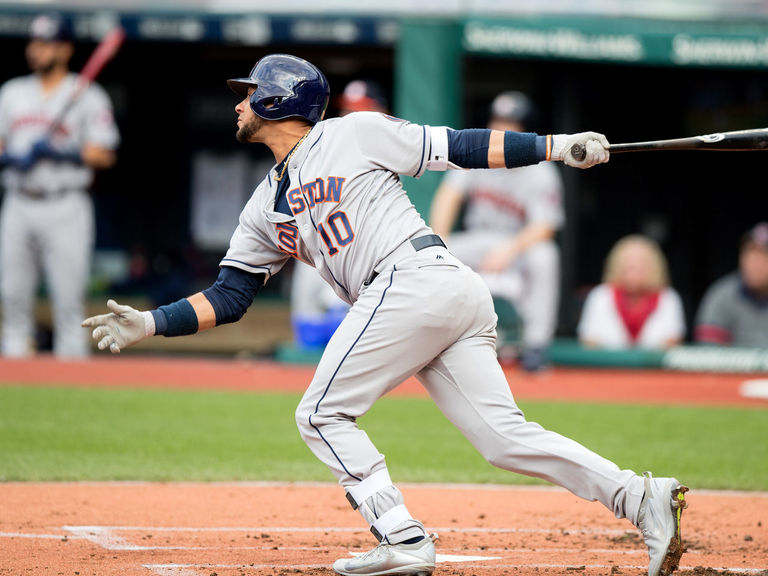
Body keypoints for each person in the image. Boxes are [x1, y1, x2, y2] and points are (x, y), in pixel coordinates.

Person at [83, 54, 687, 576]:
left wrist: (554, 147)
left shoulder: (354, 134)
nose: (239, 103)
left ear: (276, 98)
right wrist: (152, 321)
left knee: (320, 413)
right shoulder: (264, 205)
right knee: (504, 440)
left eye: (248, 93)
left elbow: (460, 146)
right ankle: (640, 499)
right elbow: (231, 295)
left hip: (416, 280)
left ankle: (401, 537)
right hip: (423, 294)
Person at [0, 13, 120, 358]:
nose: (35, 50)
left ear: (65, 49)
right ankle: (12, 379)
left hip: (65, 204)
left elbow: (105, 153)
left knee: (69, 303)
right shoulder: (12, 92)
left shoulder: (87, 94)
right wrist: (11, 157)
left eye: (45, 44)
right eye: (33, 43)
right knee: (12, 298)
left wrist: (63, 152)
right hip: (18, 201)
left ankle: (70, 379)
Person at [429, 91, 564, 371]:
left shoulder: (540, 170)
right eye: (498, 120)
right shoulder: (479, 153)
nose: (502, 128)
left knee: (545, 255)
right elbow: (448, 195)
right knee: (429, 254)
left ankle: (536, 346)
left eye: (511, 123)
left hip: (516, 246)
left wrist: (509, 249)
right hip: (479, 241)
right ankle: (428, 338)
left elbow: (545, 226)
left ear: (525, 131)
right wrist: (438, 241)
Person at [290, 80, 387, 349]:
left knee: (348, 338)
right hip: (320, 252)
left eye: (361, 110)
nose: (350, 118)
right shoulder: (322, 150)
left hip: (360, 261)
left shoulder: (388, 152)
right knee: (308, 335)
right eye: (348, 109)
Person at [577, 235, 686, 349]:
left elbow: (672, 342)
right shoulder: (600, 296)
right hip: (607, 366)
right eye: (628, 266)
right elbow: (588, 340)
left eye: (641, 265)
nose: (634, 270)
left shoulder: (668, 298)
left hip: (651, 367)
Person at [695, 221, 768, 347]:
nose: (755, 264)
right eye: (750, 254)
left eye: (764, 256)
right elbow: (707, 352)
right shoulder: (722, 295)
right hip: (730, 367)